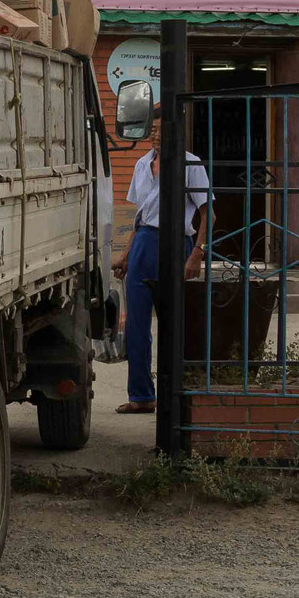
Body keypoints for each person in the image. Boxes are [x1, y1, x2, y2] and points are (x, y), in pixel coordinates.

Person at [110, 106, 212, 414]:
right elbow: (140, 216)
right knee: (137, 325)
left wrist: (197, 252)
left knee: (174, 322)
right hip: (143, 244)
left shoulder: (191, 164)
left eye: (161, 130)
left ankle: (178, 394)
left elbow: (208, 212)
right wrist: (127, 254)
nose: (155, 136)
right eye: (152, 130)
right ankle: (142, 396)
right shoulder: (142, 165)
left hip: (175, 243)